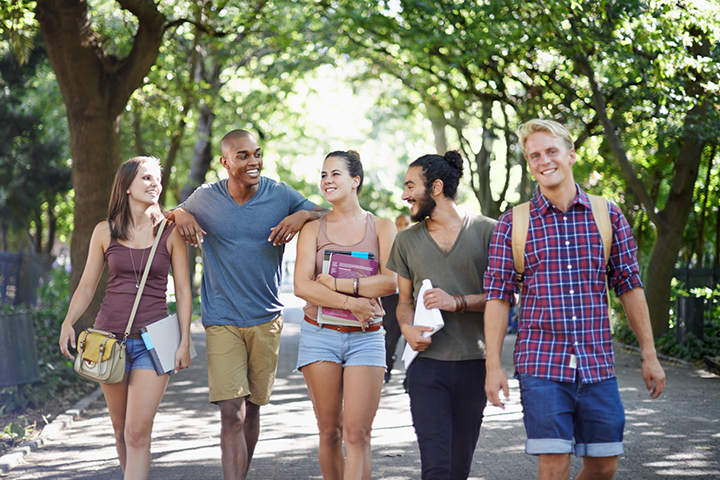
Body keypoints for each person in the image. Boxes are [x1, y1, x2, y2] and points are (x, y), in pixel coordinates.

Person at [483, 119, 666, 480]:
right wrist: (493, 365)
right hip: (541, 363)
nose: (544, 160)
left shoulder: (608, 215)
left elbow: (630, 286)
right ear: (529, 163)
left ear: (570, 154)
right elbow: (498, 297)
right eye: (534, 155)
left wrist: (650, 355)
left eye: (551, 151)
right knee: (553, 464)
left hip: (596, 362)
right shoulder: (513, 223)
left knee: (604, 465)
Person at [169, 129, 327, 480]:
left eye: (257, 153)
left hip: (266, 319)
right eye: (243, 156)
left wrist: (303, 216)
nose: (254, 161)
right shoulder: (206, 197)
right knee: (232, 414)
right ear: (225, 162)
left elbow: (328, 213)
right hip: (221, 318)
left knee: (253, 412)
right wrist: (180, 214)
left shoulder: (280, 193)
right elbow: (171, 213)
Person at [59, 156, 192, 480]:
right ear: (127, 186)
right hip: (108, 341)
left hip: (155, 342)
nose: (154, 184)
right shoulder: (104, 231)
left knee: (136, 432)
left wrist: (185, 340)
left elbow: (184, 291)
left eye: (156, 179)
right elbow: (87, 286)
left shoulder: (170, 232)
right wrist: (68, 322)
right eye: (146, 178)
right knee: (120, 431)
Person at [386, 151, 497, 480]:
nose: (405, 195)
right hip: (426, 367)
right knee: (435, 466)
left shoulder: (489, 232)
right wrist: (406, 327)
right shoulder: (405, 241)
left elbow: (508, 297)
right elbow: (403, 301)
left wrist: (458, 302)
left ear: (435, 187)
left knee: (459, 467)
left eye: (410, 186)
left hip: (473, 364)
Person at [294, 150, 397, 480]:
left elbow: (390, 281)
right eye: (323, 175)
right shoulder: (313, 229)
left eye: (335, 174)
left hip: (367, 339)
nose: (327, 181)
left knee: (358, 434)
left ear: (355, 180)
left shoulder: (381, 226)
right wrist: (353, 302)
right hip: (320, 335)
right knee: (329, 432)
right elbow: (302, 286)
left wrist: (339, 284)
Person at [382, 213, 410, 384]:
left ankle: (410, 377)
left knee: (411, 339)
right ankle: (386, 371)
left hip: (411, 298)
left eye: (406, 223)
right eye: (400, 223)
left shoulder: (416, 242)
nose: (403, 226)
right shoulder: (389, 244)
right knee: (390, 338)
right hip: (393, 298)